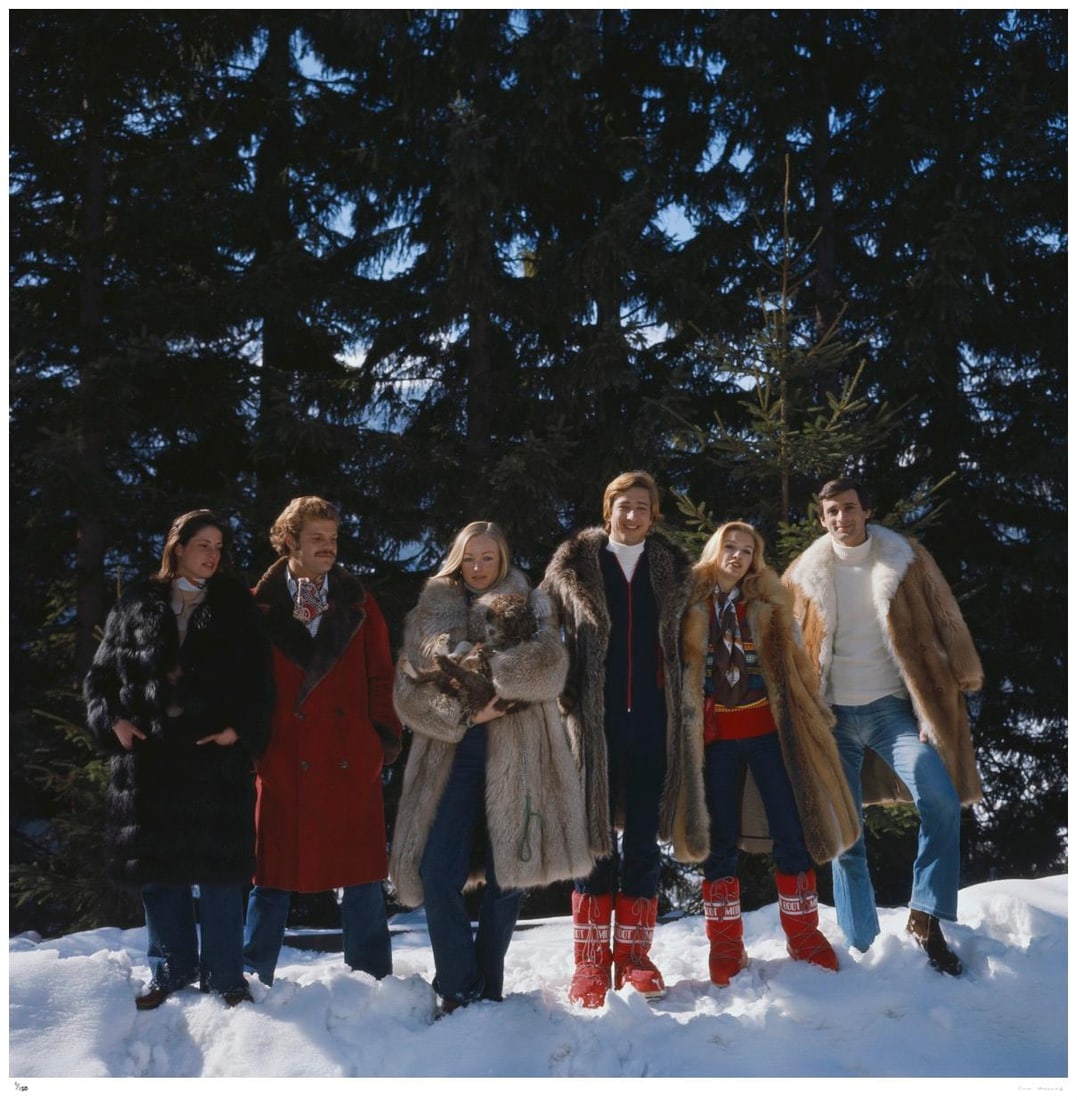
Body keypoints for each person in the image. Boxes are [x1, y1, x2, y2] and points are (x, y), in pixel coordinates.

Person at [783, 478, 984, 976]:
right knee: (845, 839)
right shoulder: (802, 574)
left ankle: (926, 916)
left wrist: (959, 679)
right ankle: (863, 947)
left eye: (849, 508)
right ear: (822, 518)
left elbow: (947, 618)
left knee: (941, 799)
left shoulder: (905, 559)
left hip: (891, 713)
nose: (841, 518)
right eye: (831, 511)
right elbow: (781, 646)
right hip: (832, 720)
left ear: (866, 510)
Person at [390, 521, 592, 1015]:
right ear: (457, 559)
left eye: (488, 557)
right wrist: (465, 713)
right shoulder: (430, 612)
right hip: (451, 760)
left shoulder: (532, 602)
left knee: (509, 881)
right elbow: (407, 694)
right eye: (470, 558)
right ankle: (459, 985)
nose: (478, 567)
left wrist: (491, 677)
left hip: (520, 760)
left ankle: (489, 987)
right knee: (438, 873)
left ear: (503, 559)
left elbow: (551, 667)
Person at [84, 510, 275, 1009]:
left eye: (218, 547)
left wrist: (239, 731)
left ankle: (226, 977)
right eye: (202, 545)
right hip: (152, 757)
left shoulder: (235, 605)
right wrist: (115, 722)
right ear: (178, 547)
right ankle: (169, 970)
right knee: (159, 871)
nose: (212, 555)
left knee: (219, 874)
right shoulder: (136, 604)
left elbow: (261, 682)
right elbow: (100, 679)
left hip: (212, 754)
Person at [540, 471, 707, 1008]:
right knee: (591, 836)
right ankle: (590, 962)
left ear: (653, 516)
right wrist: (563, 689)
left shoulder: (674, 571)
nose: (631, 516)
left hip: (655, 719)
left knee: (641, 838)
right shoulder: (573, 567)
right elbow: (539, 633)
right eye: (623, 505)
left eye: (641, 507)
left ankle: (634, 957)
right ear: (607, 509)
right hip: (593, 722)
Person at [680, 521, 860, 985]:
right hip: (715, 740)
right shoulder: (687, 605)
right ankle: (725, 946)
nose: (737, 556)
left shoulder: (771, 606)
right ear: (714, 550)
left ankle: (803, 935)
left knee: (790, 830)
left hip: (768, 734)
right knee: (719, 841)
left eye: (747, 550)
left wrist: (814, 712)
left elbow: (799, 667)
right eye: (730, 546)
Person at [243, 496, 402, 986]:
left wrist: (382, 740)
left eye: (332, 538)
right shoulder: (257, 606)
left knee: (362, 876)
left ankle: (372, 981)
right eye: (316, 538)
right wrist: (255, 745)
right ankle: (252, 975)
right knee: (270, 875)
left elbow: (381, 675)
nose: (328, 547)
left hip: (349, 755)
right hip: (283, 757)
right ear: (289, 541)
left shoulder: (359, 602)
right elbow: (243, 682)